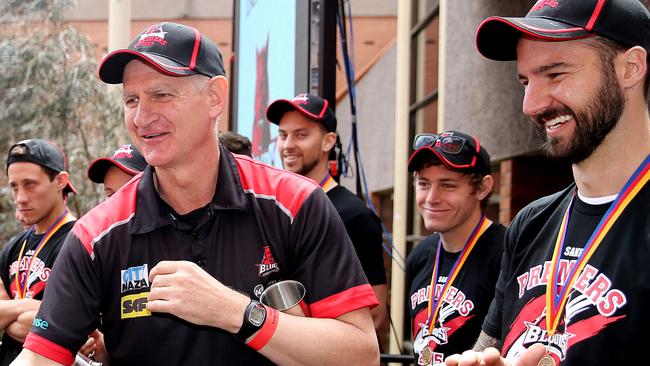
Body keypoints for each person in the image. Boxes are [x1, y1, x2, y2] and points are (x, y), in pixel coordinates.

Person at [12, 22, 379, 366]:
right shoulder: (97, 234)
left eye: (161, 94)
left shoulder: (294, 203)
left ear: (215, 98)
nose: (141, 117)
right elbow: (40, 356)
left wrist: (234, 312)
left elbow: (361, 353)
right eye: (131, 100)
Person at [446, 0, 650, 365]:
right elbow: (487, 346)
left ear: (630, 68)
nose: (530, 104)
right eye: (525, 81)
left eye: (555, 74)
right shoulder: (530, 222)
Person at [266, 93, 389, 347]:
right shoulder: (273, 207)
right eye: (283, 135)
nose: (288, 145)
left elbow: (375, 316)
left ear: (328, 142)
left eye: (301, 135)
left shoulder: (354, 215)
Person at [405, 131, 504, 366]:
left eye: (448, 185)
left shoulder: (507, 254)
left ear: (482, 188)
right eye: (424, 184)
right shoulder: (420, 255)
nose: (431, 198)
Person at [0, 139, 77, 366]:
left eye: (30, 184)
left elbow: (70, 325)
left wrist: (7, 316)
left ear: (60, 181)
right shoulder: (12, 247)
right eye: (14, 186)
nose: (20, 197)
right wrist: (35, 310)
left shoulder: (81, 242)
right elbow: (49, 322)